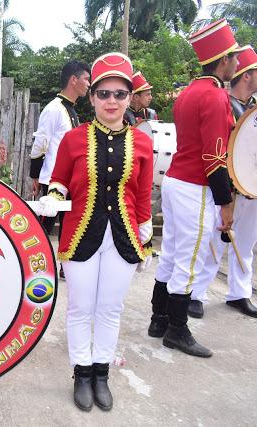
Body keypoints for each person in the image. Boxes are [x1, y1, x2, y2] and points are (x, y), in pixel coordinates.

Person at [38, 53, 153, 412]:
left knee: (109, 309)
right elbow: (58, 181)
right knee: (80, 308)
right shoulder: (73, 139)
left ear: (129, 97)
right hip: (80, 236)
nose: (112, 101)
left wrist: (146, 231)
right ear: (92, 98)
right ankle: (81, 373)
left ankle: (101, 373)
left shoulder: (143, 143)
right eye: (103, 93)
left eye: (120, 94)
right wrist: (54, 198)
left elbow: (144, 194)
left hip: (123, 236)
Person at [148, 19, 240, 357]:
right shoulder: (216, 97)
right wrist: (226, 203)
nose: (237, 63)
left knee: (171, 252)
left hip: (175, 181)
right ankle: (176, 329)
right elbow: (215, 158)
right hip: (194, 185)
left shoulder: (188, 92)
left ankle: (158, 319)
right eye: (234, 57)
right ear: (224, 59)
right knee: (190, 257)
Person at [188, 45, 257, 318]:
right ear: (247, 75)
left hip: (252, 185)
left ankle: (239, 293)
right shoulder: (224, 103)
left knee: (247, 241)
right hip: (227, 185)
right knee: (215, 241)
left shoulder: (253, 109)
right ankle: (196, 293)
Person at [29, 60, 90, 278]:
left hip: (70, 179)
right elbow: (40, 144)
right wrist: (35, 175)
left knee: (69, 227)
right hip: (52, 179)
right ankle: (32, 264)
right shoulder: (53, 109)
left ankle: (65, 267)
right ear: (73, 80)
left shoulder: (71, 110)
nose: (88, 84)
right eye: (86, 78)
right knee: (43, 227)